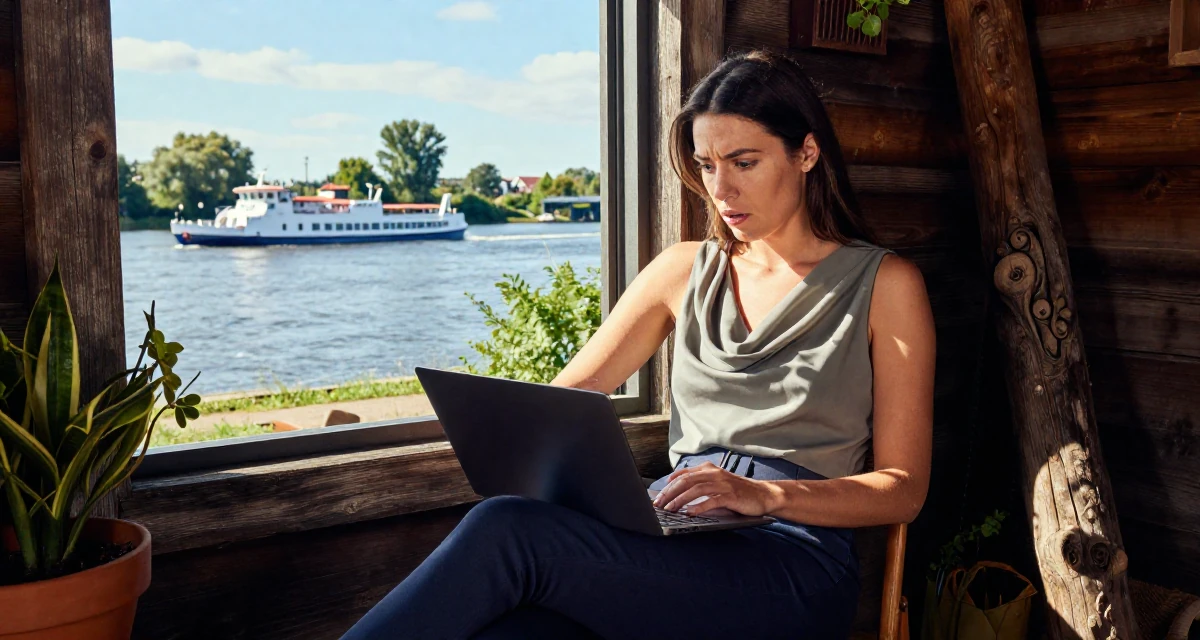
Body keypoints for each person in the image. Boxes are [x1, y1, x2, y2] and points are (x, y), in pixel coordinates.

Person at [342, 49, 935, 640]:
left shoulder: (885, 284)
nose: (721, 188)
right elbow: (566, 398)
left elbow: (902, 490)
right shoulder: (682, 270)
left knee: (507, 528)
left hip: (792, 560)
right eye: (706, 165)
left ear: (806, 152)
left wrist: (762, 494)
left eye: (744, 162)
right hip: (673, 534)